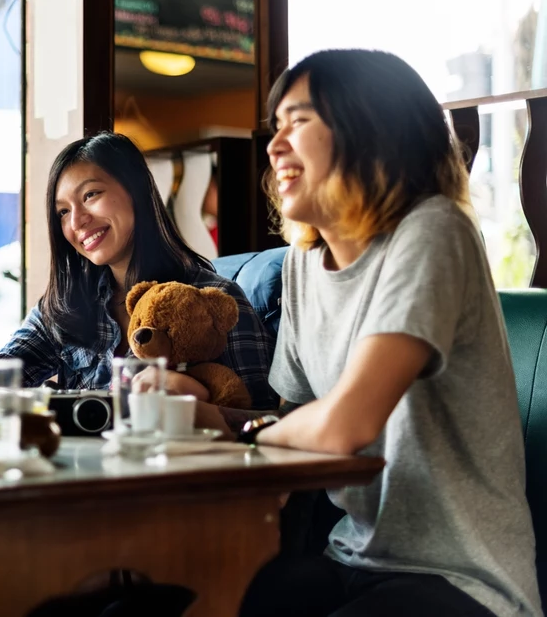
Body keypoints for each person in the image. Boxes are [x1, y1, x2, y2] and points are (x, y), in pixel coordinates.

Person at [226, 49, 541, 616]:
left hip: (460, 580)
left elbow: (345, 425)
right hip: (353, 557)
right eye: (276, 128)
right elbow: (292, 424)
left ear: (370, 130)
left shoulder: (433, 232)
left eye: (298, 122)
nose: (275, 146)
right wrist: (204, 422)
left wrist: (244, 437)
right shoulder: (301, 263)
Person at [0, 132, 277, 410]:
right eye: (62, 212)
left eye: (91, 195)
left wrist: (191, 403)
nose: (77, 221)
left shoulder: (211, 300)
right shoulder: (66, 306)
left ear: (136, 192)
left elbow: (259, 424)